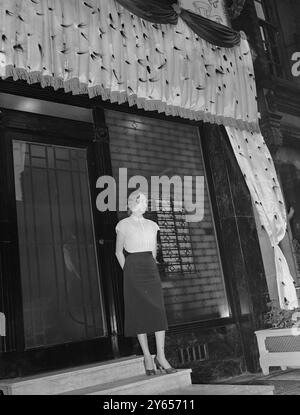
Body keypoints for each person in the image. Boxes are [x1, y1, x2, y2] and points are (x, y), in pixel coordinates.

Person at [115, 190, 177, 375]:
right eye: (141, 202)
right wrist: (127, 271)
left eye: (145, 202)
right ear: (132, 203)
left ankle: (161, 356)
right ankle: (147, 357)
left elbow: (154, 251)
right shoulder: (122, 225)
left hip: (150, 267)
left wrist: (154, 265)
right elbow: (118, 252)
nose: (145, 205)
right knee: (139, 313)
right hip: (132, 267)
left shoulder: (153, 225)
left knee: (158, 312)